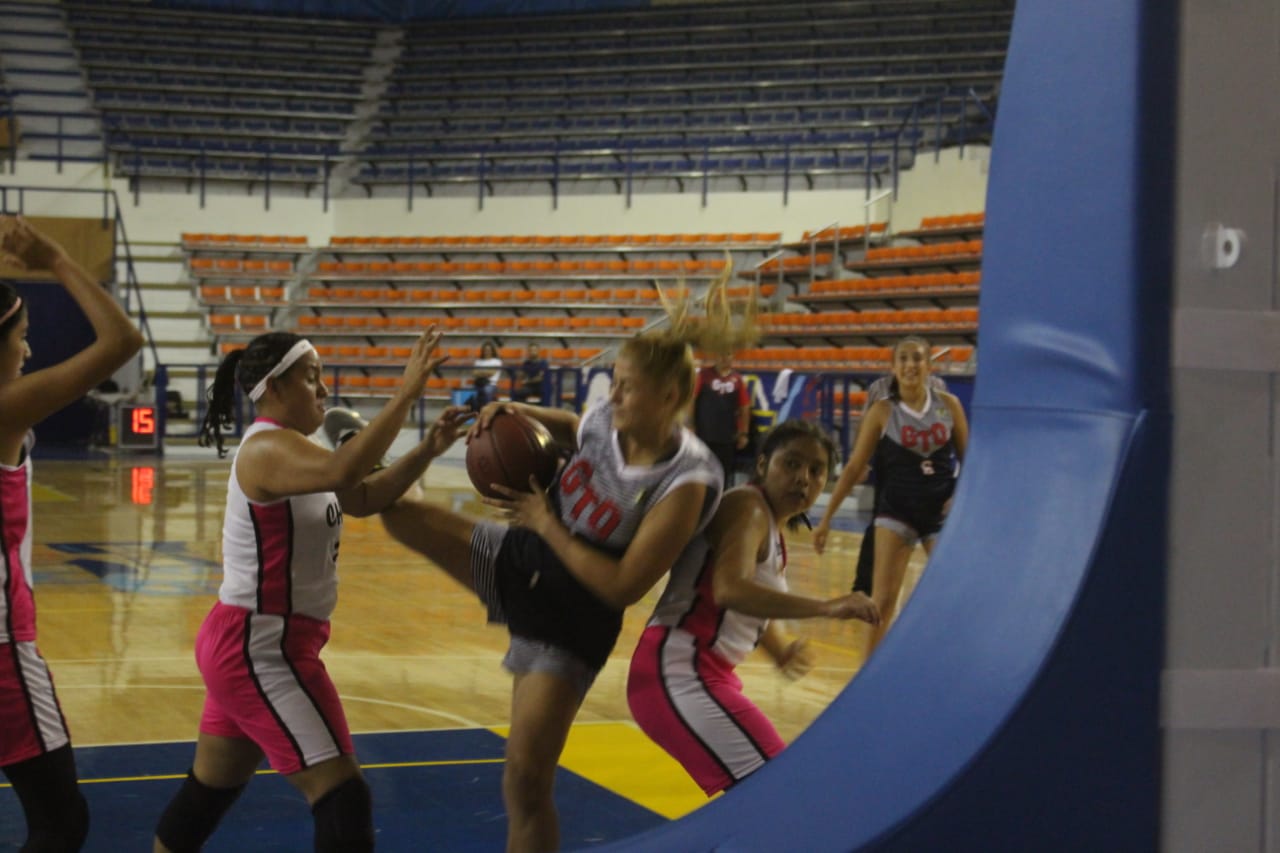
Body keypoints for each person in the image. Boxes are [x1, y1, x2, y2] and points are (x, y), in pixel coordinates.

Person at [372, 268, 755, 852]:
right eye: (615, 382)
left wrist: (545, 521)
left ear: (669, 398)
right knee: (396, 511)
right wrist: (511, 408)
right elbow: (578, 426)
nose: (613, 395)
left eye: (627, 386)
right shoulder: (606, 419)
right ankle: (359, 450)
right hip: (520, 558)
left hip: (570, 619)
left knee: (525, 781)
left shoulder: (688, 478)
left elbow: (623, 586)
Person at [152, 327, 466, 853]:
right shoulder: (266, 448)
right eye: (311, 377)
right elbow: (347, 468)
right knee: (343, 796)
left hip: (252, 642)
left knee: (208, 793)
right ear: (274, 388)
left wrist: (427, 450)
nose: (323, 390)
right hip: (261, 645)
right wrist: (406, 393)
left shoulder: (297, 449)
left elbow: (361, 497)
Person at [627, 420, 880, 796]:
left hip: (695, 673)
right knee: (776, 795)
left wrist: (779, 649)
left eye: (816, 470)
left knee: (766, 798)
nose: (803, 478)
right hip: (678, 673)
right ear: (762, 464)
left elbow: (746, 602)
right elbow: (730, 590)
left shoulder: (769, 525)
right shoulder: (748, 508)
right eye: (791, 464)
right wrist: (827, 606)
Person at [0, 215, 144, 850]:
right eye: (23, 337)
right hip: (2, 650)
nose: (28, 351)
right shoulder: (5, 410)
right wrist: (57, 258)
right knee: (60, 822)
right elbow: (123, 340)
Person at [812, 336, 968, 654]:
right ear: (893, 367)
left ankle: (953, 661)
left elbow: (972, 461)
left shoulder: (949, 405)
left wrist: (961, 497)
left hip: (940, 511)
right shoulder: (882, 410)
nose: (911, 365)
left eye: (917, 358)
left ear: (929, 365)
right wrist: (826, 519)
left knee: (954, 593)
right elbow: (854, 467)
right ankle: (868, 673)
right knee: (882, 602)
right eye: (904, 359)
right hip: (896, 511)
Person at [844, 370, 950, 596]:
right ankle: (864, 587)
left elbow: (946, 423)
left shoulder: (938, 386)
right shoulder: (879, 387)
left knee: (936, 529)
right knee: (880, 522)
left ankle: (945, 591)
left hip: (930, 462)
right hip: (893, 461)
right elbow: (866, 423)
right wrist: (860, 460)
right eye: (904, 358)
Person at [692, 349, 750, 487]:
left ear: (733, 356)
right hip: (704, 435)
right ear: (715, 356)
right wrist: (689, 425)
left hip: (727, 438)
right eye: (721, 354)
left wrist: (743, 433)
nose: (725, 358)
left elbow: (744, 407)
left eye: (728, 354)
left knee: (723, 475)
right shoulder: (703, 376)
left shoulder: (737, 379)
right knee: (701, 474)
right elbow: (691, 401)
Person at [471, 340, 504, 410]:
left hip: (491, 384)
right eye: (485, 350)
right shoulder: (478, 361)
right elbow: (474, 373)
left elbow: (491, 373)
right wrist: (486, 372)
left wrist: (480, 372)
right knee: (470, 393)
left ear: (492, 351)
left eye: (489, 350)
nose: (487, 352)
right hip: (479, 383)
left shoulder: (497, 361)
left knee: (486, 391)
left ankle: (487, 411)